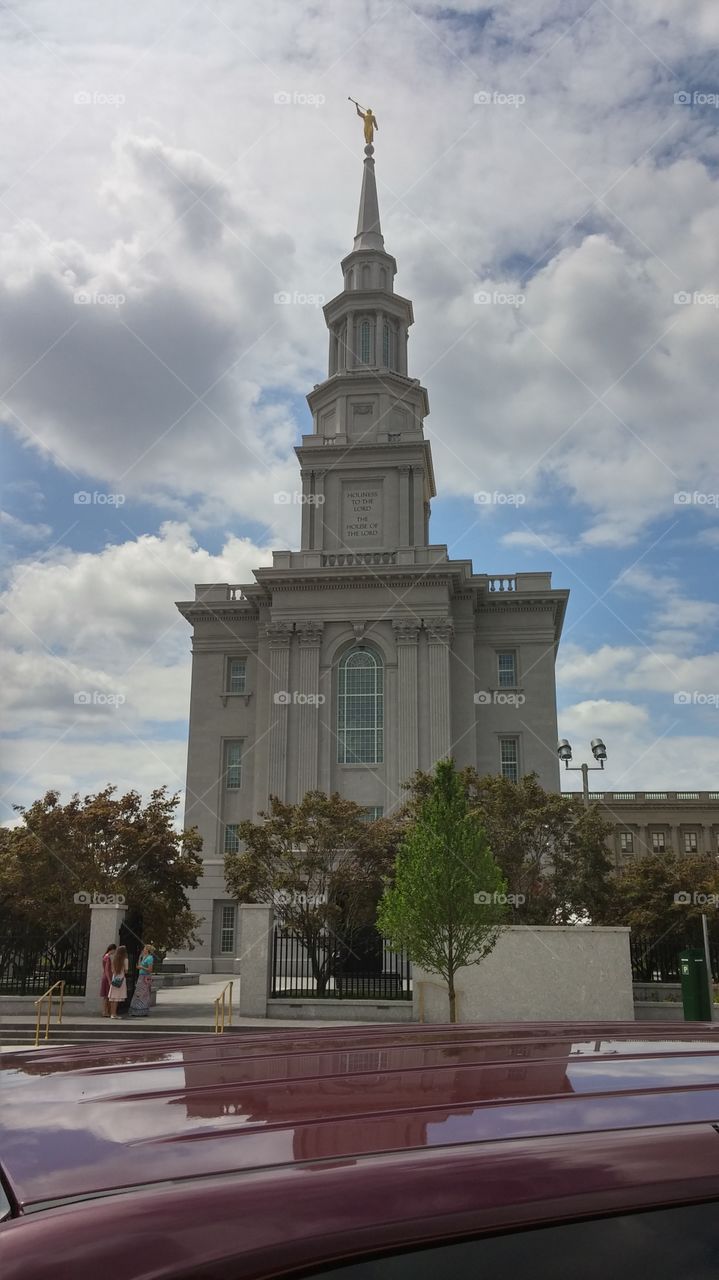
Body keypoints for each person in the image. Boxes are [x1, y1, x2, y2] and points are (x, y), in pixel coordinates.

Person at [128, 944, 154, 1018]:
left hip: (145, 977)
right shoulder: (144, 957)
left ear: (148, 950)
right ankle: (136, 1009)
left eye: (145, 949)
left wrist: (142, 967)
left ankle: (142, 1010)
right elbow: (139, 965)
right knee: (138, 993)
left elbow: (150, 970)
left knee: (144, 994)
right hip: (141, 976)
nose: (143, 950)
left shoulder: (150, 958)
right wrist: (140, 957)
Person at [108, 945, 128, 1019]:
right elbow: (126, 971)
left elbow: (112, 970)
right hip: (121, 979)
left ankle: (112, 1013)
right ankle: (114, 1014)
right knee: (117, 997)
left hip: (115, 978)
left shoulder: (114, 959)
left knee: (113, 997)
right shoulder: (125, 960)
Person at [100, 943, 117, 1017]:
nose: (114, 952)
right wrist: (109, 980)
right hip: (107, 977)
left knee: (106, 996)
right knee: (107, 996)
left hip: (105, 976)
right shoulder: (107, 957)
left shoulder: (105, 956)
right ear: (112, 949)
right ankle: (105, 1012)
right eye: (114, 950)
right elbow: (107, 970)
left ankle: (105, 1011)